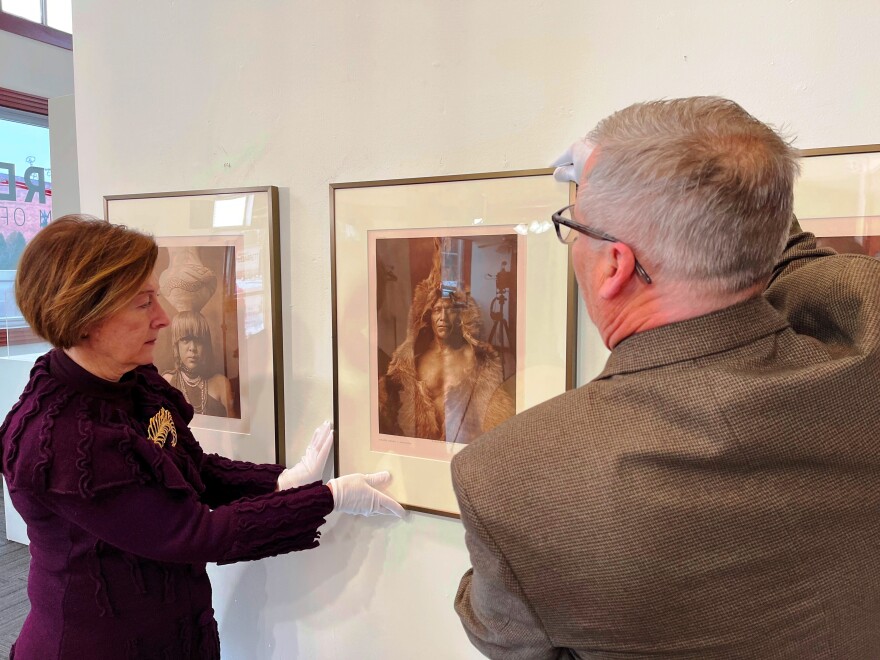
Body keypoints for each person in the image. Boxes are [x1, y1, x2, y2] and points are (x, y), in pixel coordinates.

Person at [452, 97, 880, 658]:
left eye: (573, 226)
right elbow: (803, 262)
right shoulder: (863, 343)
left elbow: (502, 634)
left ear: (615, 267)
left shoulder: (515, 480)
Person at [0, 215, 404, 660]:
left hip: (173, 626)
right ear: (85, 319)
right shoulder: (63, 439)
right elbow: (195, 533)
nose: (164, 318)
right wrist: (327, 497)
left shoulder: (132, 381)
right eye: (143, 303)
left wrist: (282, 481)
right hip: (96, 644)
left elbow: (194, 469)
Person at [378, 241, 514, 444]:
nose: (442, 317)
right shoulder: (412, 361)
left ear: (460, 316)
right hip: (422, 451)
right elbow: (390, 410)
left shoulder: (477, 358)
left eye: (449, 310)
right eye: (436, 310)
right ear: (427, 316)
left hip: (464, 449)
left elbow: (494, 412)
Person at [163, 310, 236, 417]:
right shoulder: (167, 382)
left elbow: (233, 430)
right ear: (176, 345)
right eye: (185, 340)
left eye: (198, 341)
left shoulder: (221, 384)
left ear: (206, 346)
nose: (192, 348)